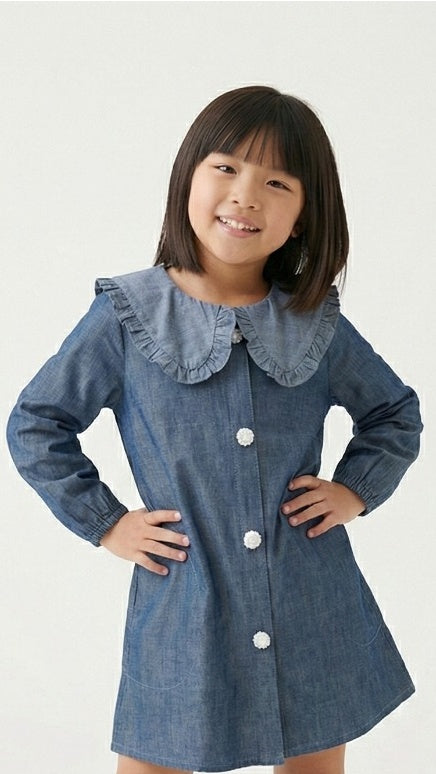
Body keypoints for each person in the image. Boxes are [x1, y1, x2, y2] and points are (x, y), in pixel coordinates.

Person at [7, 86, 422, 774]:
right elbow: (37, 423)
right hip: (185, 603)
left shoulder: (314, 321)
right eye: (226, 167)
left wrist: (355, 490)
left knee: (316, 757)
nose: (246, 195)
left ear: (303, 215)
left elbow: (394, 412)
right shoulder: (127, 315)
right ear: (188, 178)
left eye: (277, 182)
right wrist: (106, 523)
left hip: (310, 599)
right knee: (156, 757)